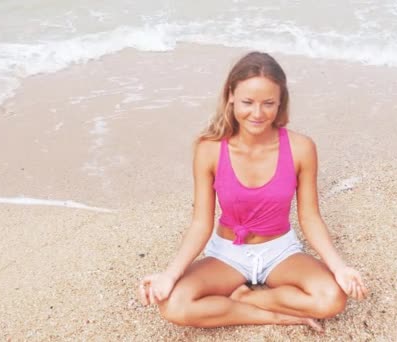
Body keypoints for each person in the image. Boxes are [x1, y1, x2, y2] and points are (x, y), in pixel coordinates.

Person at [138, 51, 368, 332]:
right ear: (231, 96)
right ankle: (274, 314)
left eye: (268, 103)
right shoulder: (209, 149)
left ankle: (252, 297)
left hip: (280, 251)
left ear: (281, 101)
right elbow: (201, 222)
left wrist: (339, 268)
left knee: (332, 299)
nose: (257, 114)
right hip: (227, 253)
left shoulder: (301, 148)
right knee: (173, 304)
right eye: (248, 102)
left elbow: (309, 217)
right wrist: (170, 275)